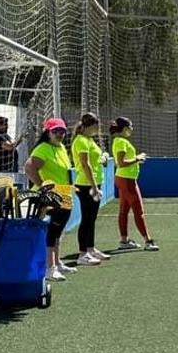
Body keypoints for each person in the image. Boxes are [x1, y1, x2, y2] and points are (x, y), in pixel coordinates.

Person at [25, 117, 76, 282]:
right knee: (52, 232)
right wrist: (42, 187)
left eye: (62, 131)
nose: (60, 134)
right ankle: (50, 267)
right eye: (56, 131)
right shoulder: (43, 148)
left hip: (64, 193)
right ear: (48, 132)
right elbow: (29, 166)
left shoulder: (61, 147)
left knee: (59, 231)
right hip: (51, 196)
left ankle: (57, 262)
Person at [110, 117, 157, 251]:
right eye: (130, 127)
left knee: (124, 211)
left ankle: (124, 241)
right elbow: (121, 162)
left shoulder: (119, 141)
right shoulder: (121, 142)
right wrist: (138, 158)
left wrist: (136, 160)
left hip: (124, 178)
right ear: (124, 129)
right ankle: (148, 241)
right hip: (127, 180)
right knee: (138, 211)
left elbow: (123, 161)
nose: (132, 129)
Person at [71, 112, 111, 267]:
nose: (98, 129)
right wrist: (94, 187)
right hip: (86, 185)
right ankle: (82, 254)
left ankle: (91, 249)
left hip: (94, 184)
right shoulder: (81, 141)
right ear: (90, 126)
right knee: (86, 219)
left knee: (92, 218)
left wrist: (103, 159)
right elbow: (85, 164)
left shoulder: (89, 140)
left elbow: (95, 160)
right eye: (96, 126)